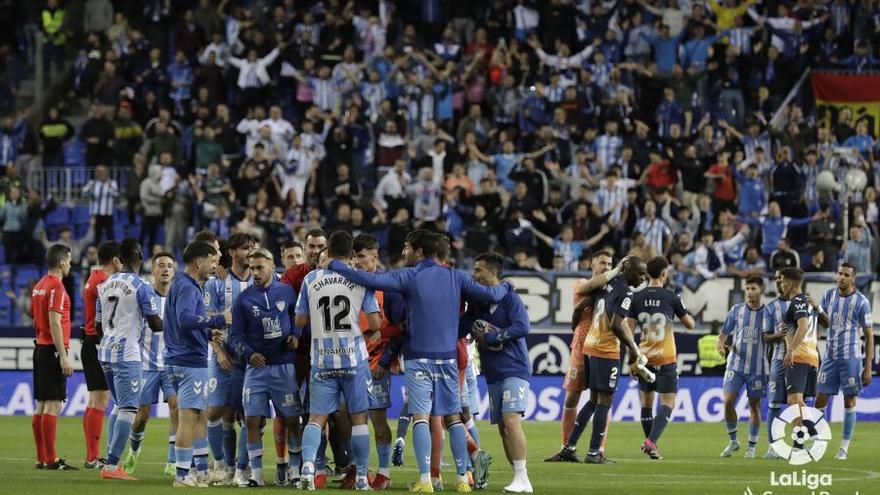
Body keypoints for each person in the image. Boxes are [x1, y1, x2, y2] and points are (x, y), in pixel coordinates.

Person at [324, 229, 511, 493]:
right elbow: (492, 295)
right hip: (447, 358)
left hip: (418, 359)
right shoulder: (457, 277)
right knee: (453, 418)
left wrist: (333, 263)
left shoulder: (409, 276)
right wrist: (506, 286)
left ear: (419, 251)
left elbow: (365, 278)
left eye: (407, 247)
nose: (403, 253)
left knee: (421, 418)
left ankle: (425, 480)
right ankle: (461, 479)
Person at [295, 231, 382, 491]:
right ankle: (363, 478)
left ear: (328, 252)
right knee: (358, 420)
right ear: (352, 254)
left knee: (316, 418)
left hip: (322, 361)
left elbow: (299, 322)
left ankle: (308, 469)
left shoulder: (311, 279)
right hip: (354, 361)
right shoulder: (360, 280)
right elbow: (376, 323)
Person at [558, 257, 651, 464]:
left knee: (593, 400)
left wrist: (575, 327)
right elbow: (617, 324)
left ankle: (569, 447)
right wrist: (633, 350)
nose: (643, 278)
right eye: (640, 273)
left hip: (590, 346)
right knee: (605, 401)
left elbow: (580, 306)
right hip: (606, 350)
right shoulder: (625, 292)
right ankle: (593, 453)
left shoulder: (606, 284)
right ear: (627, 270)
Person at [228, 249, 303, 487]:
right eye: (252, 268)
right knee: (252, 421)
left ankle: (294, 471)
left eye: (260, 267)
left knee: (292, 420)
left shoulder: (286, 291)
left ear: (272, 267)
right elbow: (234, 337)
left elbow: (298, 319)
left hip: (284, 367)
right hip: (256, 371)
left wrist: (295, 335)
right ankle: (257, 475)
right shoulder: (243, 299)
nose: (255, 272)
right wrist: (249, 354)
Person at [460, 253, 533, 493]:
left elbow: (523, 326)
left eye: (479, 270)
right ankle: (519, 477)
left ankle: (523, 478)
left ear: (493, 273)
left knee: (512, 421)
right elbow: (461, 327)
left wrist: (493, 336)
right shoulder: (478, 304)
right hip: (493, 373)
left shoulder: (510, 298)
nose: (474, 275)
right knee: (503, 427)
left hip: (515, 368)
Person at [545, 250, 627, 463]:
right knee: (572, 398)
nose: (606, 266)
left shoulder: (612, 290)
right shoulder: (582, 283)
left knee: (602, 398)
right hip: (581, 348)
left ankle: (598, 449)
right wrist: (618, 271)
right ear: (592, 265)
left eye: (610, 263)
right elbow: (589, 289)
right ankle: (566, 447)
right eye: (602, 262)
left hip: (602, 349)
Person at [95, 238, 163, 480]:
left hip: (105, 351)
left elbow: (98, 324)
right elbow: (156, 325)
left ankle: (109, 458)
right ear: (141, 256)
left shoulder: (104, 285)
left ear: (119, 259)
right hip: (127, 354)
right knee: (128, 408)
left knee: (118, 405)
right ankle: (112, 466)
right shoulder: (141, 286)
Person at [164, 241, 230, 487]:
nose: (215, 266)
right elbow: (184, 320)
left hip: (182, 357)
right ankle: (182, 476)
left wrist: (206, 335)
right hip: (188, 361)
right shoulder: (189, 287)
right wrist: (218, 319)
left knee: (200, 415)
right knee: (189, 417)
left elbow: (182, 324)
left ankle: (202, 471)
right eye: (212, 261)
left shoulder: (183, 285)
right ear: (199, 262)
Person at [352, 233, 407, 490]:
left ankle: (383, 472)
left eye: (362, 256)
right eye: (355, 257)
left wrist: (386, 360)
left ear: (375, 257)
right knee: (349, 419)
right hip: (349, 362)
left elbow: (401, 328)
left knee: (377, 419)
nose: (358, 261)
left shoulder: (390, 288)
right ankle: (358, 471)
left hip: (376, 365)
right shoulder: (349, 284)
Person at [626, 257, 695, 459]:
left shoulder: (636, 298)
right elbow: (690, 324)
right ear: (664, 274)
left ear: (647, 274)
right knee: (668, 403)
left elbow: (628, 332)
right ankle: (651, 442)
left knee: (646, 405)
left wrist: (631, 362)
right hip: (666, 359)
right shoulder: (672, 297)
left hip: (644, 359)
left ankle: (652, 446)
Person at [204, 233, 255, 486]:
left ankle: (242, 469)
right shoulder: (215, 285)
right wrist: (219, 351)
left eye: (253, 248)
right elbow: (206, 323)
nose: (251, 251)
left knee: (249, 414)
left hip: (251, 360)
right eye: (246, 248)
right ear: (232, 252)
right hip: (223, 357)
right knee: (214, 411)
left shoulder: (263, 280)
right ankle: (222, 465)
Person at [122, 252, 178, 476]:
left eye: (170, 266)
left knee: (177, 408)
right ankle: (133, 453)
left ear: (174, 271)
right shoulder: (143, 295)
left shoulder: (178, 296)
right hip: (146, 365)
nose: (165, 269)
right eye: (161, 265)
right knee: (142, 417)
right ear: (153, 271)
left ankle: (173, 461)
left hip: (171, 365)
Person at [815, 263, 873, 460]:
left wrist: (868, 367)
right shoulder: (828, 296)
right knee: (820, 399)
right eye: (839, 273)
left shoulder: (861, 302)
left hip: (851, 358)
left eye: (846, 275)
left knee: (849, 401)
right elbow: (823, 323)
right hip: (830, 356)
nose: (841, 277)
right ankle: (820, 441)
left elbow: (869, 335)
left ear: (853, 279)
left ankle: (844, 447)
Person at [31, 244, 76, 470]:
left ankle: (41, 457)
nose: (70, 264)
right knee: (53, 404)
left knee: (41, 405)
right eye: (68, 260)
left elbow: (36, 320)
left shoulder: (39, 285)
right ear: (61, 263)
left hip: (40, 347)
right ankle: (51, 460)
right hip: (52, 350)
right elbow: (54, 322)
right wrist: (63, 356)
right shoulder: (57, 287)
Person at [779, 267, 828, 460]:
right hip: (811, 356)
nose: (780, 285)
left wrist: (791, 349)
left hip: (799, 356)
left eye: (782, 281)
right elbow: (815, 328)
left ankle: (810, 434)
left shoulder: (798, 300)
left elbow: (804, 325)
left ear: (790, 283)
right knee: (797, 401)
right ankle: (804, 438)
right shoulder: (808, 303)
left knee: (793, 401)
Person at [717, 275, 767, 459]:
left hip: (758, 367)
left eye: (753, 288)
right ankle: (733, 441)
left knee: (755, 406)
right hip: (735, 365)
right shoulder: (736, 311)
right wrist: (720, 345)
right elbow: (723, 335)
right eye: (747, 289)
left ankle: (752, 447)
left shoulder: (768, 313)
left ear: (761, 290)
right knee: (729, 400)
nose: (749, 292)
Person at [81, 241, 121, 469]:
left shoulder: (93, 278)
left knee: (94, 400)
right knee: (100, 400)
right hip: (96, 342)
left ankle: (91, 455)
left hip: (90, 341)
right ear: (115, 260)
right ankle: (93, 457)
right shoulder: (103, 282)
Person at [761, 270, 790, 459]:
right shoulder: (771, 308)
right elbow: (765, 336)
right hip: (779, 360)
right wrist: (778, 336)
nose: (779, 283)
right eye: (776, 280)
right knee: (774, 403)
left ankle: (801, 444)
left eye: (782, 279)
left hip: (802, 360)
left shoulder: (804, 303)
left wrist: (818, 309)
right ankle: (773, 446)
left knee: (802, 402)